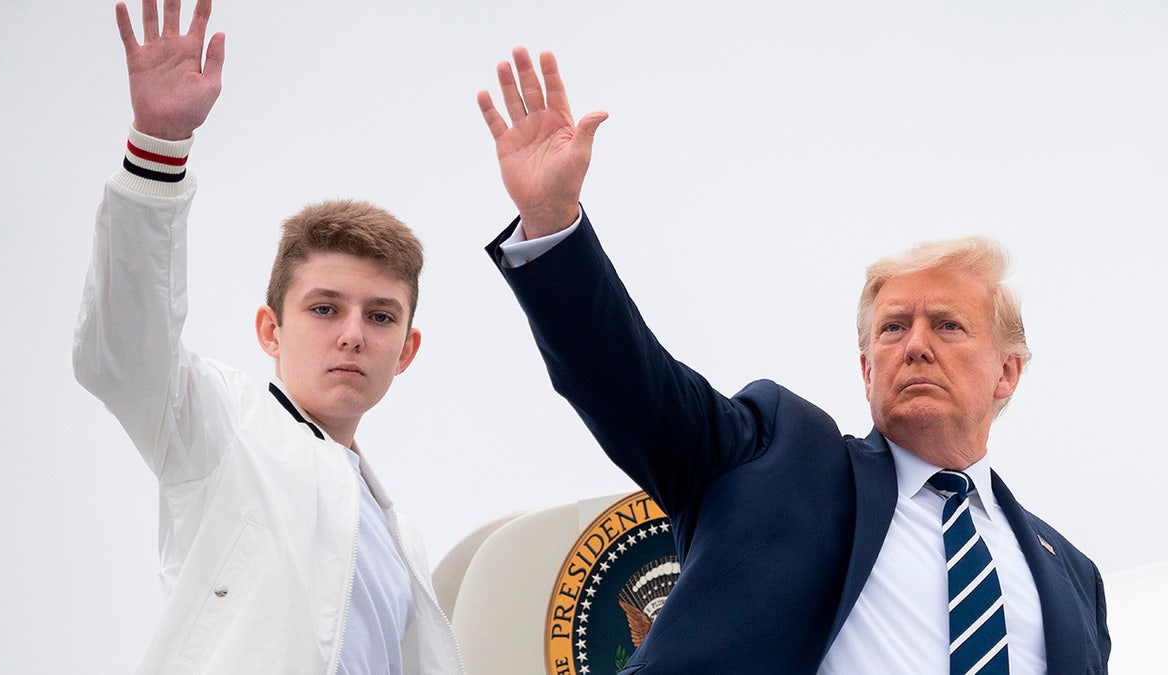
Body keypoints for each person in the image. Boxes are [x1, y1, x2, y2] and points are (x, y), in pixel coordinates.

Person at [477, 47, 1109, 673]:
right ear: (866, 370)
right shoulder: (779, 458)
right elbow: (630, 386)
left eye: (948, 326)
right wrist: (553, 221)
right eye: (892, 328)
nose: (916, 344)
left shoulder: (1074, 579)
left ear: (1008, 371)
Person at [72, 1, 463, 672]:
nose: (351, 335)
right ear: (269, 329)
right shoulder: (222, 425)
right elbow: (125, 352)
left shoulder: (404, 543)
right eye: (324, 308)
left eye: (379, 316)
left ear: (407, 350)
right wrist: (158, 147)